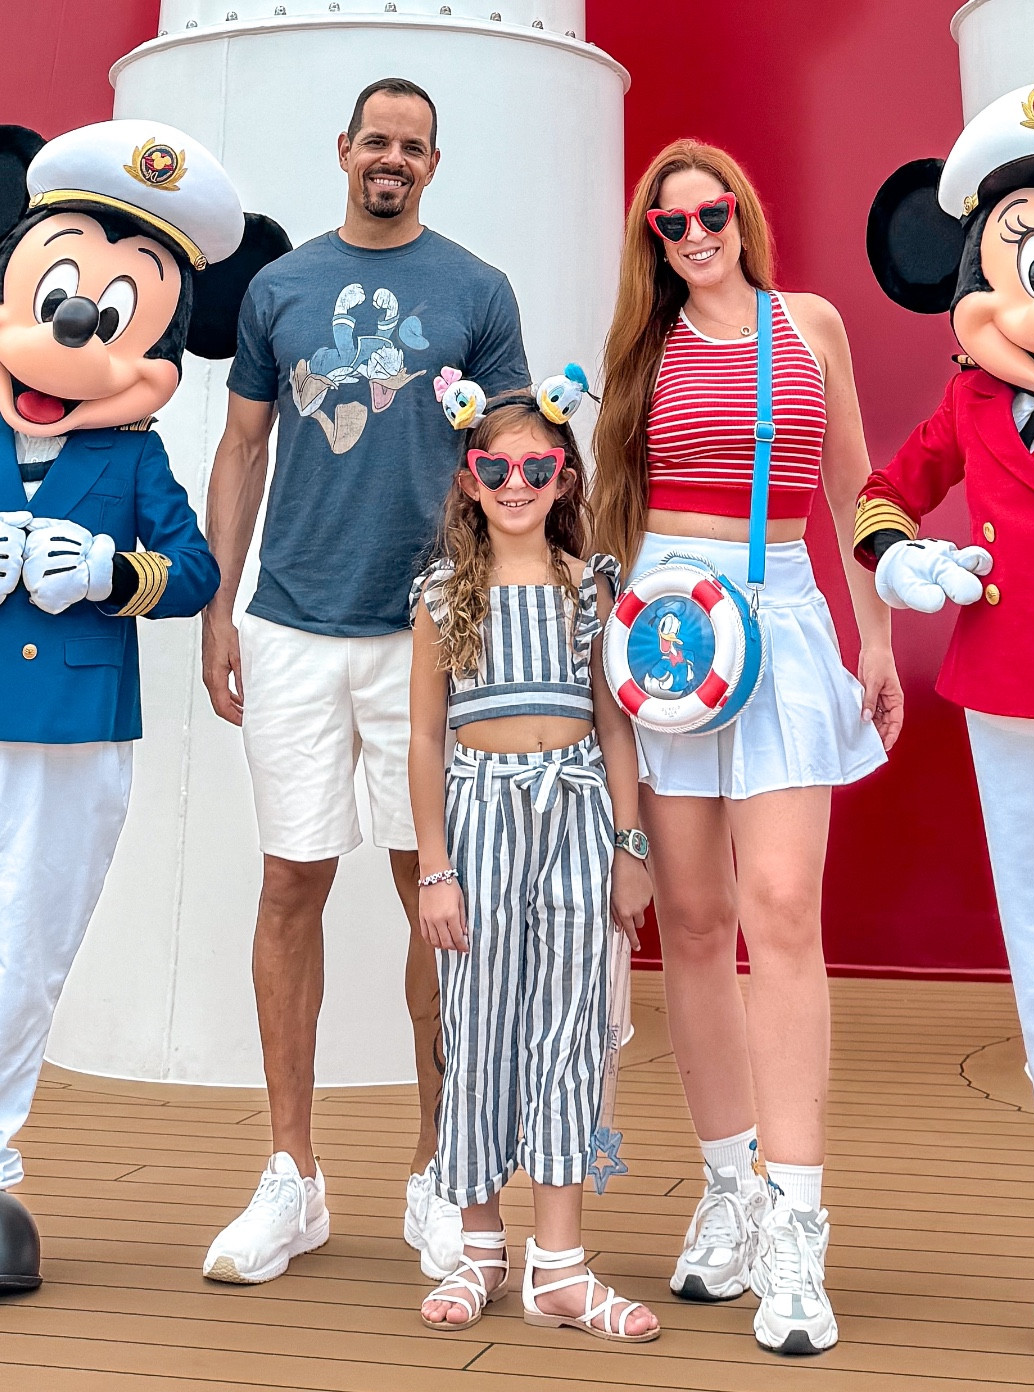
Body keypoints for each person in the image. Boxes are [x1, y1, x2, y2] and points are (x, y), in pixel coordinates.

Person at [200, 77, 529, 1286]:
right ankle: (292, 1178)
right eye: (375, 140)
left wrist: (510, 612)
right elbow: (243, 444)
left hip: (428, 631)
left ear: (434, 164)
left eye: (413, 146)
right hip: (290, 624)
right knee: (291, 882)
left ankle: (440, 1175)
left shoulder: (479, 291)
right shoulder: (279, 290)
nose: (392, 158)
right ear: (344, 150)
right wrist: (218, 605)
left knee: (428, 888)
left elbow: (512, 459)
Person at [592, 140, 902, 1355]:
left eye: (711, 212)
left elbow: (855, 493)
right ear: (653, 243)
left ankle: (796, 1222)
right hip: (669, 626)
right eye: (670, 225)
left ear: (742, 214)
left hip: (780, 614)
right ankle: (728, 1188)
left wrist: (874, 640)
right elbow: (609, 510)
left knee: (780, 907)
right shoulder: (642, 348)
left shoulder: (808, 325)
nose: (696, 235)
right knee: (693, 919)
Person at [0, 116, 287, 1288]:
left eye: (117, 314)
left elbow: (198, 570)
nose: (76, 328)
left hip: (74, 729)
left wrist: (111, 576)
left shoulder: (130, 461)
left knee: (29, 943)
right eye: (57, 293)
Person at [858, 81, 1034, 1360]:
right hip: (1014, 697)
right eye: (1033, 261)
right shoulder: (967, 404)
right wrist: (901, 560)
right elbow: (880, 494)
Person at [408, 371, 659, 1341]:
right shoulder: (442, 596)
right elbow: (423, 738)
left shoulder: (590, 589)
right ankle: (479, 1246)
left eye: (537, 468)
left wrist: (628, 845)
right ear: (468, 481)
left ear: (565, 479)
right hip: (477, 822)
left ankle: (560, 1264)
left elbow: (616, 725)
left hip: (577, 815)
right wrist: (435, 868)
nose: (516, 484)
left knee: (569, 1025)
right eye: (496, 469)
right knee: (475, 1026)